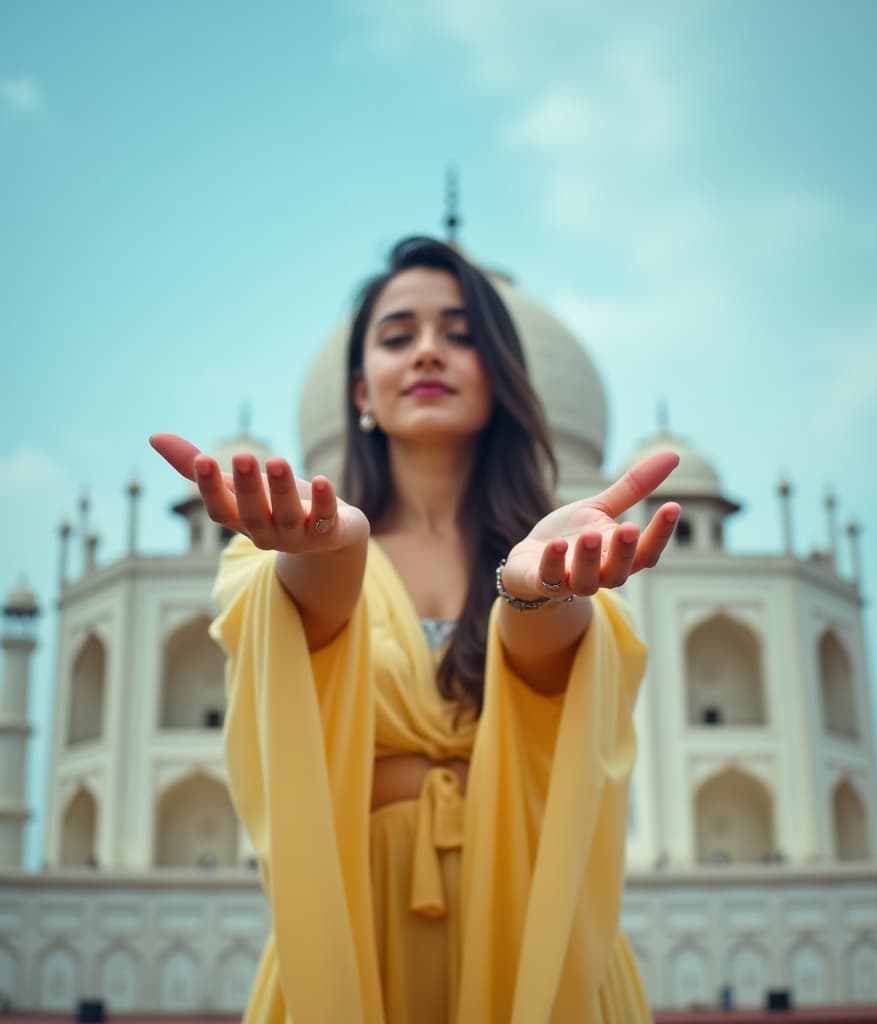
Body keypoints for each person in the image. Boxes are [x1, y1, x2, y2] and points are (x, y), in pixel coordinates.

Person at [151, 236, 680, 1023]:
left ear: (502, 378)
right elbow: (312, 627)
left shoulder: (563, 555)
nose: (429, 351)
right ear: (361, 390)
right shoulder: (277, 560)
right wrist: (337, 546)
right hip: (353, 929)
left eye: (461, 335)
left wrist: (537, 587)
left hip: (536, 924)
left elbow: (548, 687)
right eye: (399, 335)